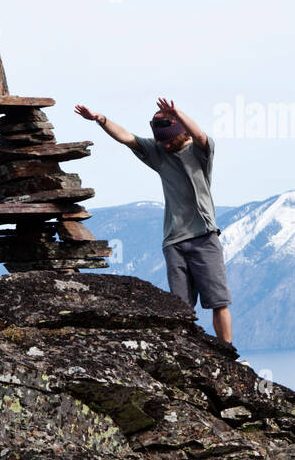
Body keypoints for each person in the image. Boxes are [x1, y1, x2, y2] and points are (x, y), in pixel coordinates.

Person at [74, 98, 233, 344]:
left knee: (218, 301)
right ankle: (188, 353)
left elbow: (199, 135)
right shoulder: (159, 154)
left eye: (170, 140)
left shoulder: (200, 153)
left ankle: (228, 352)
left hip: (204, 236)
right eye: (162, 141)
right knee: (180, 307)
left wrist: (179, 113)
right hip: (174, 241)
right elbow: (127, 137)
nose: (166, 145)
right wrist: (101, 120)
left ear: (180, 132)